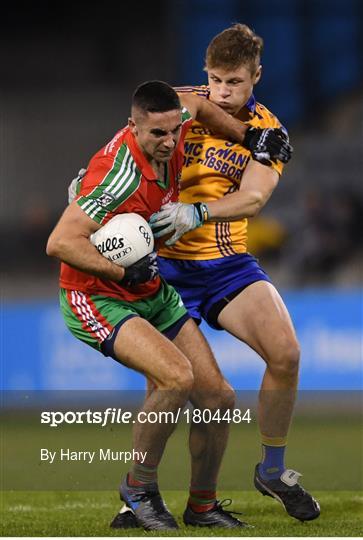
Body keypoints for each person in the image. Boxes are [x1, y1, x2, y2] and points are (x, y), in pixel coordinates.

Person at [47, 80, 291, 531]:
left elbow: (198, 104)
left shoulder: (176, 134)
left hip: (149, 286)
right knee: (175, 377)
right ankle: (138, 489)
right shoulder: (119, 176)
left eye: (173, 131)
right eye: (156, 134)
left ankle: (202, 506)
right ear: (133, 128)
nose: (168, 142)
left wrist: (248, 137)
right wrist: (122, 272)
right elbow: (59, 242)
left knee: (218, 397)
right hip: (95, 294)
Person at [149, 25, 320, 523]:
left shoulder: (271, 132)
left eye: (234, 82)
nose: (222, 91)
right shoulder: (183, 105)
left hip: (226, 265)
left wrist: (198, 213)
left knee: (286, 354)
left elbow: (255, 197)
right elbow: (134, 138)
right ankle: (140, 495)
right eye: (215, 79)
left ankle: (272, 469)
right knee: (165, 388)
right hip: (165, 265)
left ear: (257, 77)